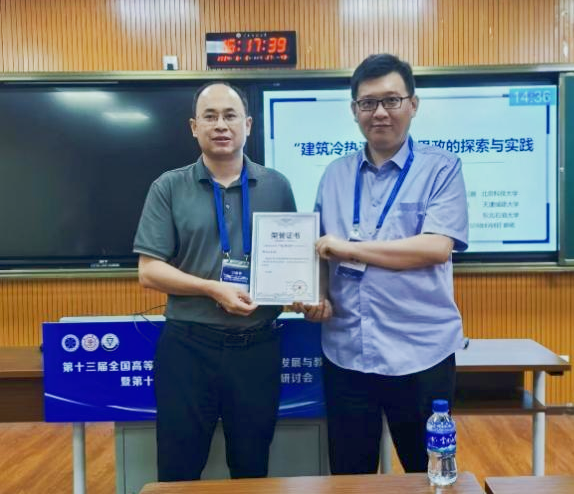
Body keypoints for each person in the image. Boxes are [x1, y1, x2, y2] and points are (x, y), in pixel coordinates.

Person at [296, 54, 468, 474]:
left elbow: (435, 248)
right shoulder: (334, 175)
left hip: (420, 353)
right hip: (347, 353)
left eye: (391, 100)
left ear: (413, 104)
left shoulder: (442, 169)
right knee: (349, 475)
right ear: (354, 110)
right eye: (368, 103)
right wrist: (317, 294)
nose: (379, 113)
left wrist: (350, 249)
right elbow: (318, 250)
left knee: (427, 473)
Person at [133, 81, 296, 481]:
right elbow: (149, 270)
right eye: (210, 116)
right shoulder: (168, 186)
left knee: (252, 467)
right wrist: (211, 288)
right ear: (194, 127)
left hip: (257, 347)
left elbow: (292, 261)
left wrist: (302, 291)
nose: (221, 125)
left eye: (230, 116)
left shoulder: (276, 186)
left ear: (248, 125)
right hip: (189, 347)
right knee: (179, 468)